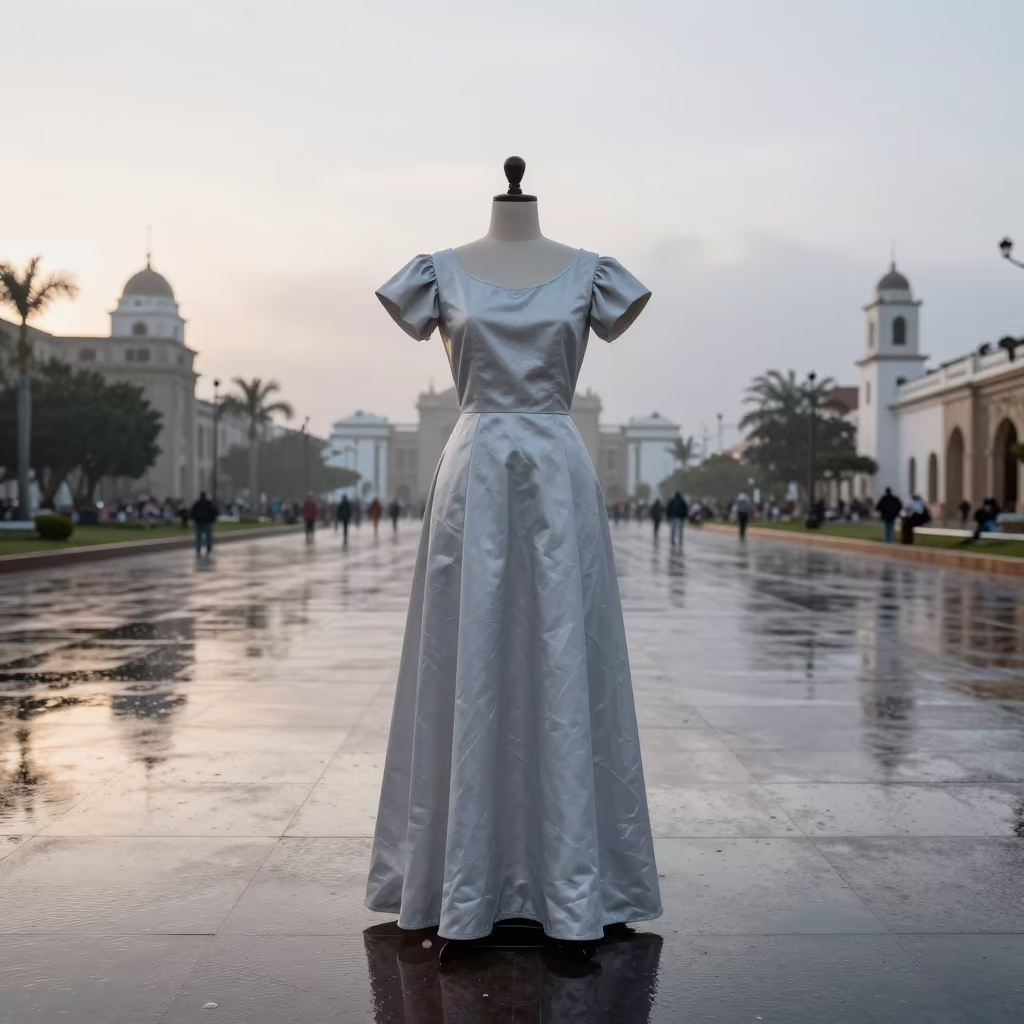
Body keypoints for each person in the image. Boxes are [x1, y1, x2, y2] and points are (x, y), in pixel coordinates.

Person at [365, 236, 660, 943]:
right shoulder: (435, 275)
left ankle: (574, 881)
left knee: (565, 656)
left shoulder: (597, 276)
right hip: (473, 480)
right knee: (463, 661)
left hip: (558, 474)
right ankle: (461, 882)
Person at [190, 490, 217, 556]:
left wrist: (194, 519)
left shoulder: (197, 503)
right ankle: (208, 549)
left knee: (199, 537)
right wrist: (212, 519)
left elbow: (192, 512)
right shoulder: (208, 503)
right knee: (208, 537)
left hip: (199, 522)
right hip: (206, 522)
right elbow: (213, 512)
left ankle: (198, 549)